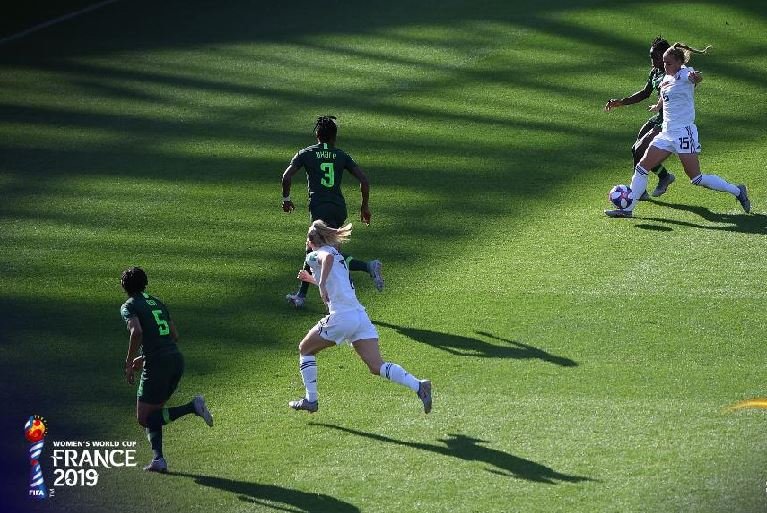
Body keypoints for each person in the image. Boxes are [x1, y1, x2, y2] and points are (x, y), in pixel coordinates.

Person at [288, 220, 432, 414]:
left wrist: (320, 285)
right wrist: (313, 280)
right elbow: (336, 282)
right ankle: (419, 386)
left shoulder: (315, 255)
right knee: (376, 365)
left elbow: (325, 262)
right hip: (359, 317)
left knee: (305, 349)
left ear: (310, 241)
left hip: (342, 318)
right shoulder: (337, 255)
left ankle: (310, 400)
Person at [605, 43, 750, 218]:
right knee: (642, 166)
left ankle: (737, 191)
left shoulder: (684, 74)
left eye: (669, 63)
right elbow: (665, 96)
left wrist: (696, 77)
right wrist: (657, 105)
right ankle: (628, 209)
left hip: (683, 133)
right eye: (664, 63)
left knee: (696, 178)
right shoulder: (666, 78)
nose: (665, 66)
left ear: (680, 63)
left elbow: (696, 78)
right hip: (666, 132)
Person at [281, 115, 384, 309]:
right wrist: (364, 207)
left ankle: (368, 267)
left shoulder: (306, 154)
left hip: (320, 209)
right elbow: (364, 181)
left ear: (317, 135)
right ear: (334, 137)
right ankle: (302, 295)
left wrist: (286, 199)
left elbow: (286, 177)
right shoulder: (341, 155)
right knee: (323, 252)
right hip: (338, 208)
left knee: (317, 251)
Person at [120, 267, 213, 473]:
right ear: (145, 283)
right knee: (153, 415)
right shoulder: (158, 303)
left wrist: (128, 363)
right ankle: (158, 459)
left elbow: (136, 333)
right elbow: (174, 335)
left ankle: (192, 407)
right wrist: (145, 357)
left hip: (158, 366)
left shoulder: (129, 306)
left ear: (124, 286)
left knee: (144, 418)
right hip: (175, 360)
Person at [604, 37, 692, 199]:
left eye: (656, 57)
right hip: (659, 116)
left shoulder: (674, 71)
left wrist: (694, 76)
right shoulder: (656, 72)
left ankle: (636, 192)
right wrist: (621, 102)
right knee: (636, 150)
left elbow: (688, 77)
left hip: (670, 120)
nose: (652, 60)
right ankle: (663, 177)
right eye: (651, 56)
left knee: (641, 149)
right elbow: (645, 93)